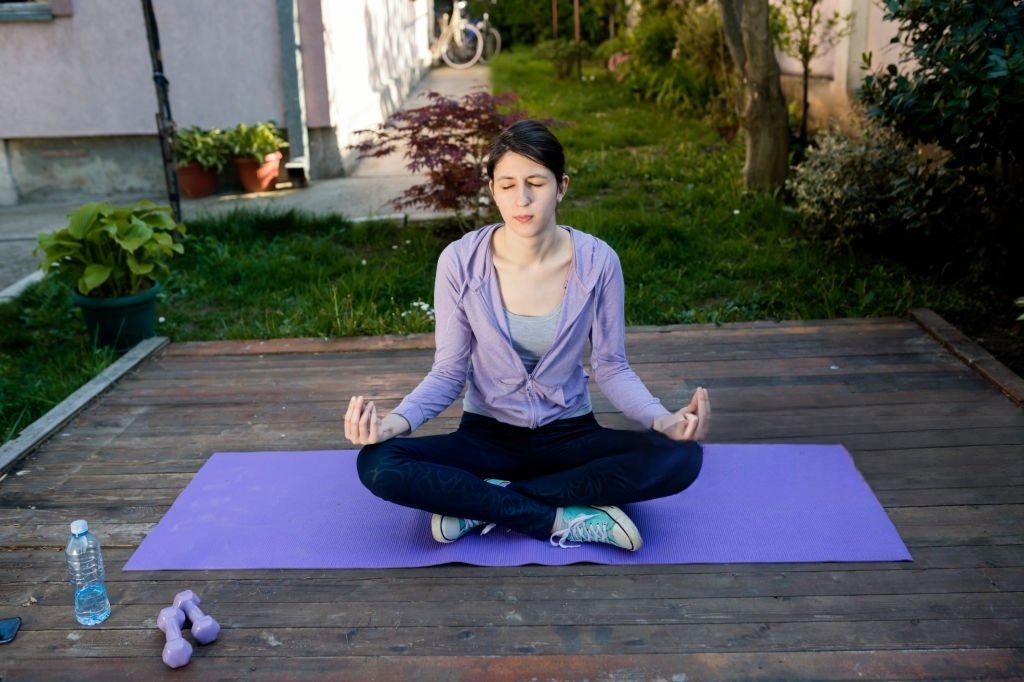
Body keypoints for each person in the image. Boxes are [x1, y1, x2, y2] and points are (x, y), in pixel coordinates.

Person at [345, 120, 710, 551]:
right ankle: (557, 516)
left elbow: (612, 366)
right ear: (492, 189)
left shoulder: (598, 262)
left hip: (571, 435)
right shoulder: (460, 262)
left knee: (682, 457)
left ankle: (479, 502)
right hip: (486, 436)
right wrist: (393, 424)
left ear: (561, 187)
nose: (522, 199)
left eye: (536, 182)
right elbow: (448, 372)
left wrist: (663, 419)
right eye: (508, 184)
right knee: (378, 463)